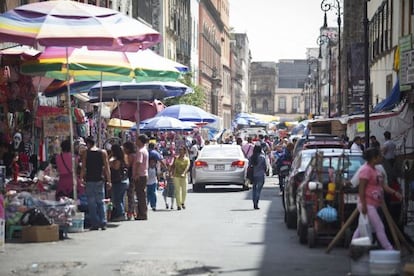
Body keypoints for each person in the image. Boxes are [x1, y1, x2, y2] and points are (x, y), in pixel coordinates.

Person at [351, 147, 402, 250]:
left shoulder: (376, 170)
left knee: (362, 227)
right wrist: (364, 205)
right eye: (379, 156)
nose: (381, 157)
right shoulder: (365, 170)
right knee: (379, 226)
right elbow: (361, 189)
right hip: (367, 204)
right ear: (374, 158)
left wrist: (395, 193)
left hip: (373, 204)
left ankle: (352, 246)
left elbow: (383, 186)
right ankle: (389, 249)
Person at [80, 136, 111, 230]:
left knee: (91, 203)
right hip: (99, 180)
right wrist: (109, 181)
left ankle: (95, 224)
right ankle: (103, 222)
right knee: (100, 202)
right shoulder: (103, 152)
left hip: (89, 179)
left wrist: (81, 178)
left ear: (88, 143)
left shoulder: (86, 153)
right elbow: (106, 168)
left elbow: (83, 167)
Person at [109, 144, 128, 221]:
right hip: (123, 181)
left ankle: (121, 214)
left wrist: (110, 162)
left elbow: (115, 167)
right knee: (120, 198)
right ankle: (120, 213)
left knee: (117, 199)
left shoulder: (117, 160)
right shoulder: (123, 158)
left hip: (119, 181)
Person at [133, 134, 149, 220]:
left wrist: (136, 174)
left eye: (137, 140)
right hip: (144, 174)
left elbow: (139, 163)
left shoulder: (140, 151)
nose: (135, 141)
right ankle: (142, 213)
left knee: (140, 195)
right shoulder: (144, 150)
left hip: (140, 175)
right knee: (141, 195)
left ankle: (142, 214)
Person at [171, 145, 190, 210]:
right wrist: (170, 172)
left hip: (184, 177)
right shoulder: (176, 158)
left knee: (184, 190)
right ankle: (178, 205)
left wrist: (184, 173)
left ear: (184, 151)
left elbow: (187, 167)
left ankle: (182, 202)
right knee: (177, 190)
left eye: (181, 150)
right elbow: (173, 166)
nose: (180, 151)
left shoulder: (187, 159)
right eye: (179, 150)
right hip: (176, 176)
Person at [249, 144, 267, 209]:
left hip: (253, 175)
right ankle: (257, 201)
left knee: (254, 189)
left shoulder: (251, 157)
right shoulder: (262, 157)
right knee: (258, 190)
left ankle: (254, 202)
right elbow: (265, 167)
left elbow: (249, 166)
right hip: (261, 174)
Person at [122, 141, 136, 220]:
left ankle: (130, 212)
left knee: (130, 195)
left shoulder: (130, 156)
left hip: (130, 176)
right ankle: (133, 211)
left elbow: (128, 165)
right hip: (133, 176)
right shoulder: (135, 155)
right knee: (132, 195)